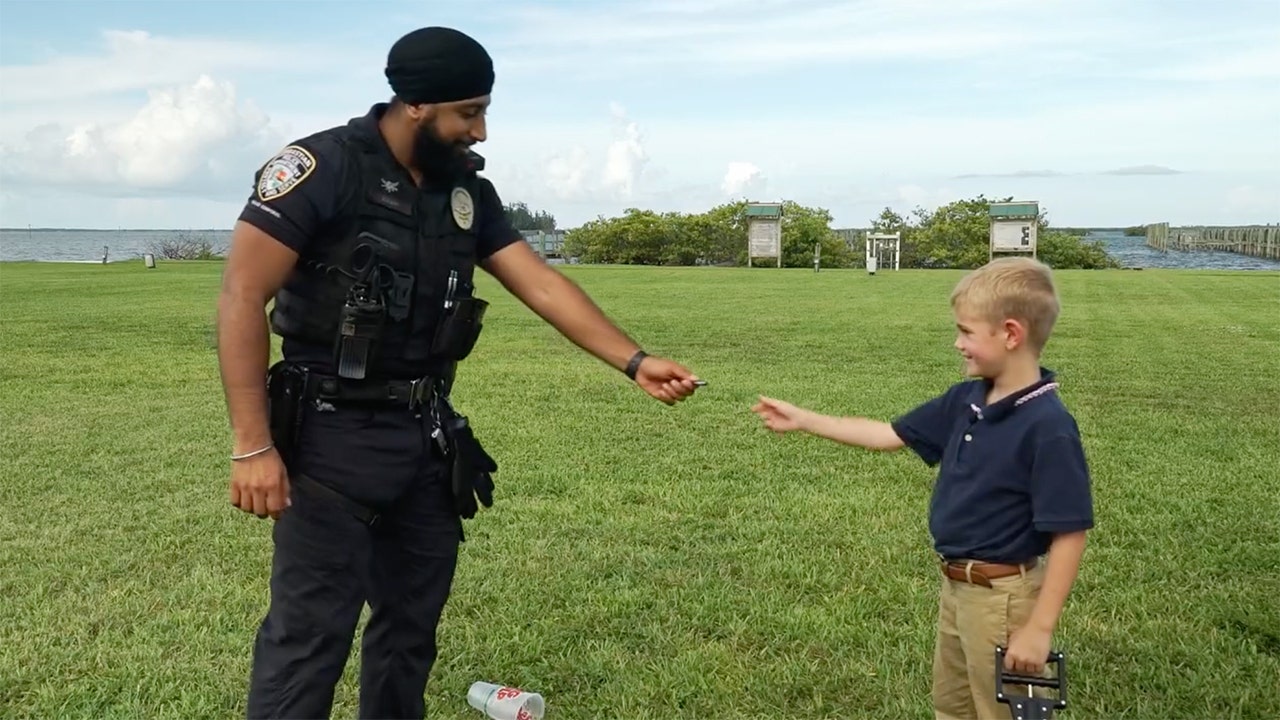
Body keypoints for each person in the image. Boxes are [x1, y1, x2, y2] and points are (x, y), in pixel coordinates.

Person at [215, 26, 702, 720]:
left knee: (410, 632)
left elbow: (539, 283)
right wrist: (253, 445)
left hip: (425, 437)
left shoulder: (466, 193)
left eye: (483, 110)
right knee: (308, 640)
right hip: (326, 438)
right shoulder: (320, 168)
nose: (480, 130)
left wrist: (634, 359)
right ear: (417, 105)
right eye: (469, 112)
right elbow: (239, 296)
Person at [751, 256, 1093, 719]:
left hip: (1005, 599)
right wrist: (805, 420)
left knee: (1002, 713)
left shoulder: (1047, 426)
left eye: (967, 332)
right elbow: (887, 435)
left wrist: (1039, 628)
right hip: (957, 589)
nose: (958, 343)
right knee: (951, 709)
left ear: (1010, 334)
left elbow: (1069, 532)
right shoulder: (966, 400)